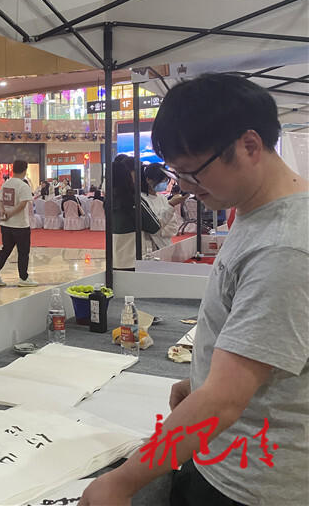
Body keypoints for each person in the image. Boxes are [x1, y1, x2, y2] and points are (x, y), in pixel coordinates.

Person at [80, 74, 309, 506]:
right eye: (176, 173)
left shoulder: (285, 248)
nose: (184, 186)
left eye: (193, 172)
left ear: (249, 146)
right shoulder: (257, 212)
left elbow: (223, 403)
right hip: (224, 454)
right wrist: (202, 378)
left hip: (249, 483)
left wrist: (122, 482)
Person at [0, 160, 39, 287]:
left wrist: (3, 212)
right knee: (23, 252)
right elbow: (22, 204)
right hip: (20, 225)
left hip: (6, 225)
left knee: (5, 250)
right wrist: (10, 213)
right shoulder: (23, 186)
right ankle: (23, 278)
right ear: (25, 170)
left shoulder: (6, 183)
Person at [111, 154, 161, 270]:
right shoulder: (134, 200)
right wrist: (170, 207)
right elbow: (154, 226)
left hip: (116, 259)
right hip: (135, 259)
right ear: (129, 174)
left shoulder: (110, 199)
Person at [140, 163, 187, 252]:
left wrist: (159, 228)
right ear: (148, 180)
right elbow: (152, 227)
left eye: (166, 180)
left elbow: (173, 226)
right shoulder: (142, 200)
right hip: (150, 248)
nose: (164, 183)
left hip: (166, 245)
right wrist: (170, 206)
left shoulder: (162, 198)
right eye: (161, 180)